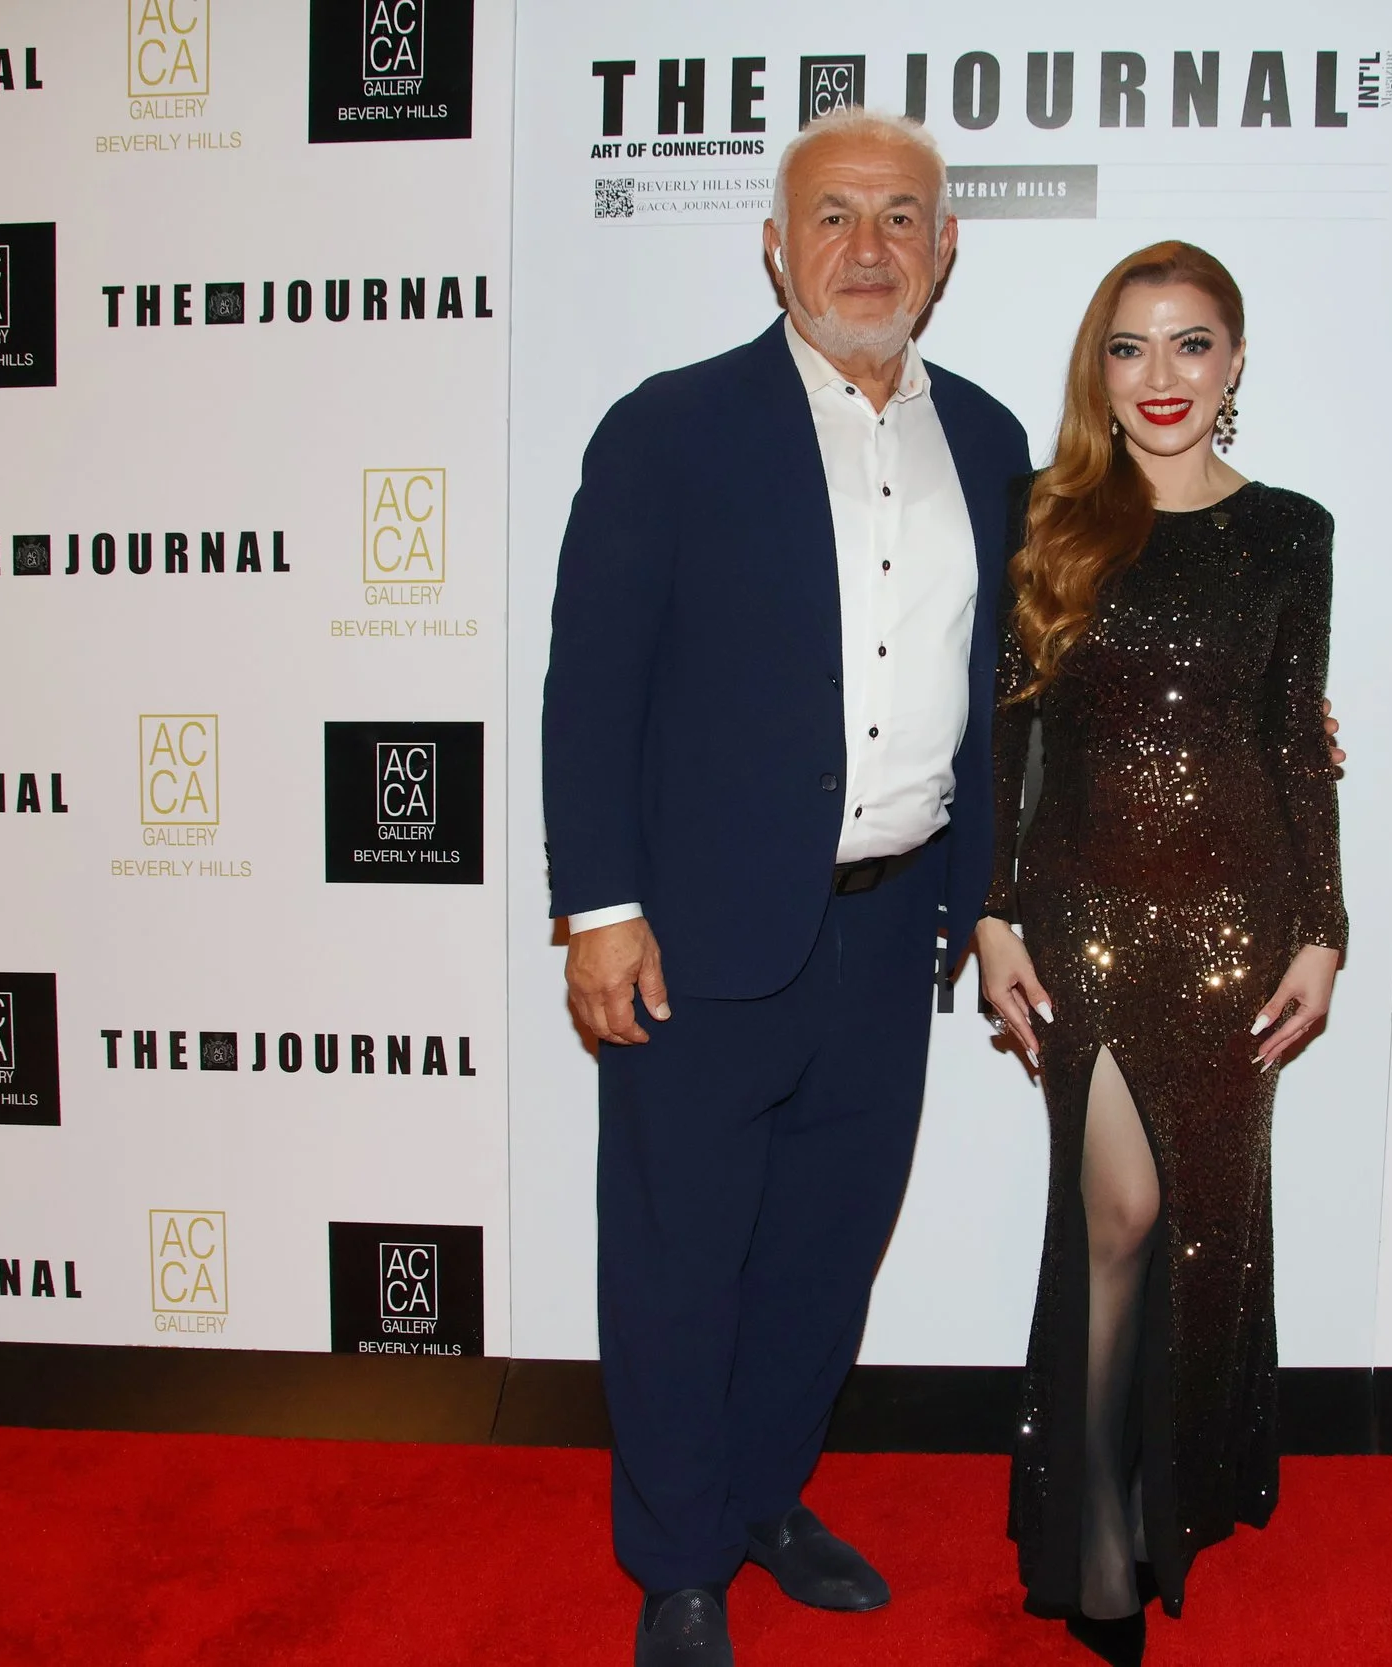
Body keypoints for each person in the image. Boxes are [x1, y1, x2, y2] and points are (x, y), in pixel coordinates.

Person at [540, 107, 1030, 1667]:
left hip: (894, 933)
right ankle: (678, 1562)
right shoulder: (669, 429)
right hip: (693, 936)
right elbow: (590, 686)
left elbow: (1006, 691)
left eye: (900, 218)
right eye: (833, 216)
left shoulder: (992, 443)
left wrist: (983, 900)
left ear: (945, 250)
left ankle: (759, 1496)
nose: (867, 248)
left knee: (825, 1255)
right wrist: (598, 907)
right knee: (678, 1260)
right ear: (775, 245)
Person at [973, 242, 1346, 1665]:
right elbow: (1005, 733)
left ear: (1235, 361)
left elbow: (1292, 741)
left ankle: (1146, 1504)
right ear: (1100, 367)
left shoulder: (1291, 533)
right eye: (1130, 347)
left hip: (1235, 927)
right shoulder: (1046, 519)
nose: (1162, 376)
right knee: (1119, 1215)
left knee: (1200, 1231)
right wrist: (993, 912)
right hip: (1087, 917)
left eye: (1192, 344)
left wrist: (1323, 927)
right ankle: (1097, 1548)